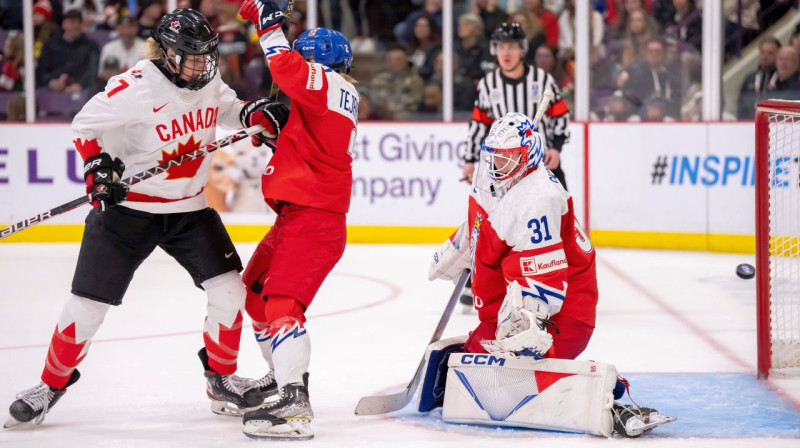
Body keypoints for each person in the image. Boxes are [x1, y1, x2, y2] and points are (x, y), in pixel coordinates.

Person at [4, 8, 289, 428]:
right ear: (168, 53)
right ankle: (50, 384)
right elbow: (85, 125)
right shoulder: (134, 88)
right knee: (87, 307)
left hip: (189, 210)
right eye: (192, 55)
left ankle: (221, 379)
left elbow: (226, 107)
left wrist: (253, 114)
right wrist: (99, 168)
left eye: (206, 55)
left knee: (229, 291)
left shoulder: (206, 78)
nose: (202, 64)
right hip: (128, 213)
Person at [427, 112, 672, 437]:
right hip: (505, 311)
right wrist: (458, 249)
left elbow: (545, 279)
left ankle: (608, 396)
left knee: (484, 379)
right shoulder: (494, 176)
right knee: (467, 370)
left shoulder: (538, 199)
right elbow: (482, 221)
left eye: (509, 156)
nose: (499, 162)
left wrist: (525, 327)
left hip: (561, 316)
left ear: (527, 155)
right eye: (495, 154)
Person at [237, 0, 358, 440]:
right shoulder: (327, 96)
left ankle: (294, 403)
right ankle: (285, 377)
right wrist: (274, 132)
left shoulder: (324, 81)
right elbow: (305, 143)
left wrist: (269, 25)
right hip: (298, 216)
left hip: (315, 219)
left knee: (283, 306)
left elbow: (285, 68)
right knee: (253, 294)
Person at [464, 22, 570, 190]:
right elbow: (479, 124)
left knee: (559, 213)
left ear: (522, 49)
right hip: (504, 168)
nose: (505, 53)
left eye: (511, 46)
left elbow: (560, 116)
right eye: (501, 47)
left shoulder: (542, 79)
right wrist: (469, 160)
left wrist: (556, 149)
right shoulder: (488, 84)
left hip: (541, 163)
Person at [36, 9, 100, 95]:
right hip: (52, 85)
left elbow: (92, 71)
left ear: (82, 25)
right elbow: (41, 69)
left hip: (81, 87)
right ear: (64, 24)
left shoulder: (91, 46)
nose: (74, 26)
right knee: (36, 94)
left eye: (78, 23)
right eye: (71, 22)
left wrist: (80, 84)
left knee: (93, 92)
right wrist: (51, 81)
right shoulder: (50, 45)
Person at [738, 37, 780, 119]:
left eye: (770, 53)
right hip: (749, 124)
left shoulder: (782, 78)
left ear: (778, 55)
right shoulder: (750, 78)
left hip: (775, 125)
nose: (765, 56)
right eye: (762, 52)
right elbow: (741, 106)